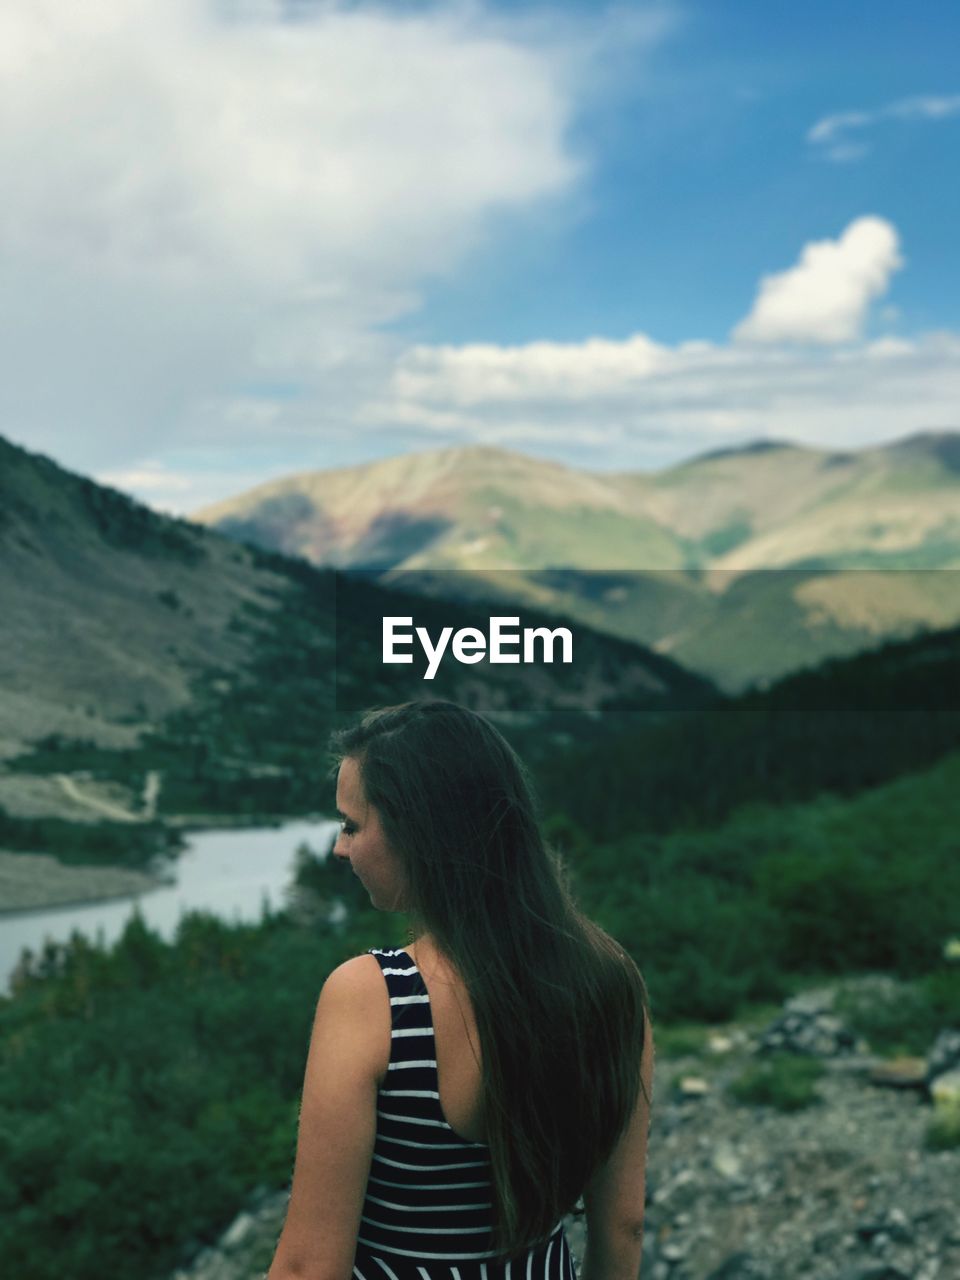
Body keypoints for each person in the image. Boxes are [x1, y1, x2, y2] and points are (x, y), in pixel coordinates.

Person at [267, 700, 654, 1280]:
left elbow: (308, 1267)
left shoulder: (375, 997)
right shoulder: (611, 979)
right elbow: (623, 1227)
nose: (339, 848)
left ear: (416, 829)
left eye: (352, 824)